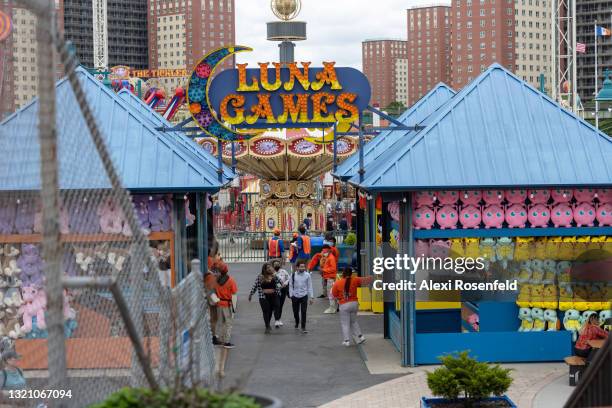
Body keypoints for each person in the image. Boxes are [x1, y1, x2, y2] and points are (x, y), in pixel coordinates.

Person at [331, 267, 373, 346]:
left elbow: (334, 295)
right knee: (353, 321)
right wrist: (374, 275)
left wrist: (338, 299)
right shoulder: (356, 280)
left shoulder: (338, 283)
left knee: (345, 323)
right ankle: (361, 336)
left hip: (344, 305)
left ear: (343, 273)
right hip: (354, 304)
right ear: (351, 273)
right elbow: (367, 280)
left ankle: (346, 341)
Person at [249, 263, 282, 334]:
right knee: (266, 311)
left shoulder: (274, 276)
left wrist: (276, 278)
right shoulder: (260, 277)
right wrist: (251, 294)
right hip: (263, 297)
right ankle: (267, 326)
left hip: (274, 295)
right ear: (264, 269)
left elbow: (280, 284)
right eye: (267, 267)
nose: (269, 268)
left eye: (270, 267)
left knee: (274, 308)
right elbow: (255, 286)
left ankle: (275, 320)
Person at [308, 243, 338, 314]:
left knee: (331, 294)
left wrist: (323, 270)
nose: (323, 253)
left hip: (330, 277)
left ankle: (332, 308)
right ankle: (333, 307)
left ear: (328, 251)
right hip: (328, 277)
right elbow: (316, 258)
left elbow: (333, 269)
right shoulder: (328, 257)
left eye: (324, 252)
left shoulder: (331, 258)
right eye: (323, 252)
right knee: (330, 293)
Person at [214, 263, 238, 349]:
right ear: (227, 270)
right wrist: (234, 308)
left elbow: (213, 292)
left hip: (219, 303)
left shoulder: (216, 280)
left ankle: (220, 339)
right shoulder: (231, 280)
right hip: (227, 304)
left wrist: (216, 301)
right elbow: (234, 294)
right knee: (228, 323)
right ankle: (226, 342)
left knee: (220, 322)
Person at [289, 259, 314, 333]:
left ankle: (303, 327)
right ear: (297, 267)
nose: (303, 268)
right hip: (295, 296)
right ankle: (297, 322)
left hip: (304, 296)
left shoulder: (307, 275)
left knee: (304, 311)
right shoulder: (293, 275)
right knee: (295, 312)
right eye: (301, 267)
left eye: (304, 267)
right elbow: (290, 286)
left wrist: (311, 297)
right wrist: (291, 296)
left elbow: (310, 286)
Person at [204, 260, 221, 345]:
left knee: (213, 318)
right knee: (214, 318)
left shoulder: (207, 274)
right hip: (211, 296)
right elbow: (211, 289)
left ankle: (212, 335)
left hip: (209, 295)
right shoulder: (210, 277)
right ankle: (213, 337)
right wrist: (217, 300)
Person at [272, 259, 290, 328]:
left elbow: (289, 278)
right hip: (275, 290)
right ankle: (277, 319)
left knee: (281, 305)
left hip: (283, 290)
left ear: (280, 265)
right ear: (273, 265)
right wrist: (280, 286)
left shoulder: (284, 271)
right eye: (275, 264)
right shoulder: (272, 272)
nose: (277, 265)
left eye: (278, 264)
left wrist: (285, 283)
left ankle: (279, 318)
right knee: (277, 305)